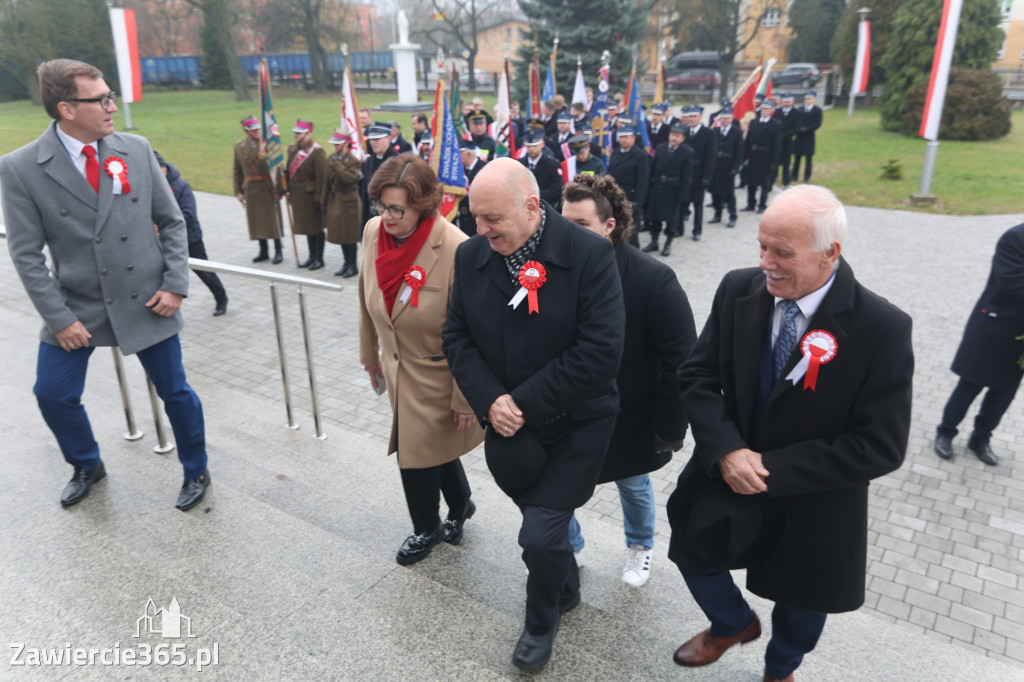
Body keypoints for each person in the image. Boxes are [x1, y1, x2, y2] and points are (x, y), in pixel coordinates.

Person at [666, 185, 913, 681]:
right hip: (725, 473)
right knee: (692, 551)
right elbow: (696, 376)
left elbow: (880, 445)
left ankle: (780, 669)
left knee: (800, 604)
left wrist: (768, 470)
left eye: (782, 252)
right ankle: (731, 624)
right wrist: (727, 450)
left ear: (830, 253)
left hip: (815, 500)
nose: (766, 263)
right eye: (761, 246)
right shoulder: (738, 288)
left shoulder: (881, 327)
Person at [1, 58, 211, 511]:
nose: (111, 106)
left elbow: (171, 222)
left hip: (149, 298)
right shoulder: (20, 168)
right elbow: (25, 255)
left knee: (175, 391)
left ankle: (196, 470)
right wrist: (59, 319)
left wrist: (176, 285)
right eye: (100, 100)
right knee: (52, 393)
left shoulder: (135, 148)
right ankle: (86, 464)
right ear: (66, 109)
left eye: (109, 95)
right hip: (78, 303)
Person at [442, 158, 625, 671]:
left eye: (491, 218)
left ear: (529, 207)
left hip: (578, 421)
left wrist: (519, 402)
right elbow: (456, 336)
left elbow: (600, 352)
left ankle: (540, 623)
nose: (480, 229)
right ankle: (566, 586)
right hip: (507, 425)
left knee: (539, 533)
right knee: (542, 525)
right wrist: (490, 400)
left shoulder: (589, 253)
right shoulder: (473, 254)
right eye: (474, 216)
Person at [561, 174, 696, 588]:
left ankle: (640, 547)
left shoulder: (653, 280)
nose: (567, 233)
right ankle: (570, 544)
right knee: (558, 482)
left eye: (579, 225)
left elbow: (683, 361)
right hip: (567, 409)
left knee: (633, 482)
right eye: (562, 221)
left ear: (609, 226)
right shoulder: (551, 271)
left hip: (628, 413)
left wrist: (671, 427)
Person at [358, 154, 484, 565]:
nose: (386, 216)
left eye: (397, 209)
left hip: (439, 375)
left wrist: (466, 397)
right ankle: (461, 503)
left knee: (415, 454)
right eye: (381, 205)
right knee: (429, 448)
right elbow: (365, 297)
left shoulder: (456, 248)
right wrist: (369, 354)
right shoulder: (373, 232)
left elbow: (473, 331)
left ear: (425, 206)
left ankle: (425, 527)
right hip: (397, 369)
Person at [934, 223, 1024, 466]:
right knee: (971, 384)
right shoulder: (1015, 238)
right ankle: (946, 432)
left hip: (1021, 340)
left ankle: (981, 438)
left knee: (1004, 391)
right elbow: (1011, 282)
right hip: (997, 326)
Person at [155, 151, 228, 316]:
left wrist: (163, 226)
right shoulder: (151, 186)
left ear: (165, 167)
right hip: (163, 242)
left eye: (159, 170)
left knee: (205, 272)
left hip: (190, 238)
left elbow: (188, 214)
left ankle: (221, 298)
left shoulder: (181, 186)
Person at [233, 115, 283, 264]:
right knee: (257, 222)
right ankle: (263, 250)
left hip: (267, 188)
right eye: (252, 130)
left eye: (257, 129)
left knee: (272, 221)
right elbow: (237, 170)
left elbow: (278, 167)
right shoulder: (240, 147)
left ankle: (278, 250)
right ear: (245, 131)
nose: (256, 132)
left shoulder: (268, 144)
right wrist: (238, 191)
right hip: (251, 189)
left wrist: (279, 190)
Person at [280, 118, 328, 270]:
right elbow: (290, 169)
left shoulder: (317, 151)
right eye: (295, 132)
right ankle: (311, 256)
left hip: (311, 195)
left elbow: (323, 177)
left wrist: (321, 199)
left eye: (299, 133)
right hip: (298, 195)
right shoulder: (293, 149)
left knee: (316, 228)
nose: (296, 135)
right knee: (307, 228)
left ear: (308, 134)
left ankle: (319, 258)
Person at [644, 123, 693, 256]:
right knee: (654, 218)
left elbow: (687, 176)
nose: (674, 138)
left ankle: (668, 243)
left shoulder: (687, 152)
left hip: (673, 191)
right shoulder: (660, 148)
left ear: (682, 138)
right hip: (658, 189)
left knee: (671, 221)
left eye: (678, 136)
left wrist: (683, 195)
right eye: (673, 135)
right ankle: (654, 241)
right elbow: (653, 169)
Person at [324, 129, 363, 278]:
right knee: (341, 234)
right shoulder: (332, 158)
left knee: (350, 236)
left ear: (346, 143)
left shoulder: (353, 161)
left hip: (350, 201)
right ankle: (346, 263)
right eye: (334, 143)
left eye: (338, 144)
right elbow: (328, 180)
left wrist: (337, 165)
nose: (335, 146)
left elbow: (349, 179)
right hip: (337, 199)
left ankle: (352, 265)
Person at [606, 125, 649, 248]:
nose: (623, 140)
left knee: (631, 233)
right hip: (616, 196)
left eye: (626, 137)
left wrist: (637, 204)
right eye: (621, 137)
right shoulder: (615, 153)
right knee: (616, 230)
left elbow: (642, 182)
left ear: (633, 139)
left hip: (631, 196)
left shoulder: (640, 155)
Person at [682, 106, 717, 242]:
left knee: (698, 204)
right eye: (689, 116)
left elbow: (711, 157)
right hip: (685, 172)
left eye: (694, 116)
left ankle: (697, 230)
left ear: (700, 117)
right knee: (682, 202)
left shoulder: (709, 134)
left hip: (699, 173)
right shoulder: (684, 131)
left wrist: (707, 176)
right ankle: (678, 228)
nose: (691, 119)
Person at [743, 100, 782, 214]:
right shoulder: (754, 122)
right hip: (753, 156)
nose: (764, 110)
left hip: (766, 157)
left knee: (764, 183)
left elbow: (776, 145)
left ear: (771, 110)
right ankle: (751, 203)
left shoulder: (775, 124)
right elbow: (748, 140)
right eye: (762, 108)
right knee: (751, 182)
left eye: (767, 109)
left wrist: (774, 162)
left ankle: (762, 204)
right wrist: (743, 157)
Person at [708, 108, 744, 228]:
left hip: (728, 167)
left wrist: (736, 167)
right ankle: (717, 214)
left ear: (732, 119)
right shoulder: (715, 131)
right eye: (723, 118)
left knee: (729, 194)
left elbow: (739, 151)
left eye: (728, 118)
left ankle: (732, 216)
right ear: (720, 119)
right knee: (715, 192)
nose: (725, 120)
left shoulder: (737, 132)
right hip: (716, 166)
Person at [360, 125, 398, 228]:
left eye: (377, 139)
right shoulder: (369, 162)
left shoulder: (398, 162)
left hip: (392, 217)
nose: (373, 142)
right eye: (371, 139)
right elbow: (365, 194)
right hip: (372, 216)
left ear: (388, 138)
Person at [519, 131, 563, 207]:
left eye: (535, 146)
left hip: (545, 206)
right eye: (529, 146)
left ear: (542, 144)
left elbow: (557, 190)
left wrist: (534, 194)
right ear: (525, 145)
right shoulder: (519, 164)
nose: (532, 149)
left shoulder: (553, 165)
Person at [456, 139, 488, 237]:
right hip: (463, 218)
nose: (456, 156)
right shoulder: (458, 171)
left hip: (480, 219)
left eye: (459, 153)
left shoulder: (485, 168)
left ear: (469, 153)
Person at [791, 91, 822, 183]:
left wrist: (807, 129)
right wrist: (799, 128)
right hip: (799, 136)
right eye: (806, 99)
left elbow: (817, 123)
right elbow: (795, 120)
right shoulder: (800, 109)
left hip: (809, 137)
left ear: (813, 99)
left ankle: (807, 177)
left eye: (809, 99)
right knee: (797, 158)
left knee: (808, 159)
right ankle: (794, 175)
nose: (807, 100)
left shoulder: (817, 110)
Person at [776, 93, 800, 188]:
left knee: (786, 165)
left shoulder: (796, 113)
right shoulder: (778, 111)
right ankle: (771, 182)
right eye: (785, 101)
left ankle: (786, 184)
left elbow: (795, 128)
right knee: (775, 163)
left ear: (792, 101)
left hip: (788, 142)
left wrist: (784, 136)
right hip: (777, 142)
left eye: (789, 101)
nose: (787, 103)